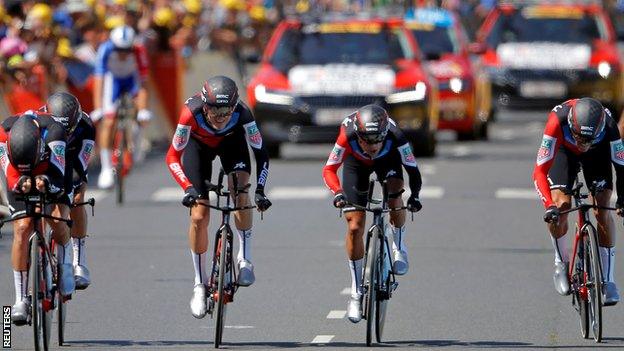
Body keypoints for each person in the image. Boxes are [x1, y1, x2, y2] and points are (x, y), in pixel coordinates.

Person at [165, 75, 272, 319]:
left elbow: (261, 154)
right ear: (204, 105)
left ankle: (244, 258)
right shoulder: (189, 114)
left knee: (241, 192)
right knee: (199, 215)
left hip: (231, 144)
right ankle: (199, 284)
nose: (219, 116)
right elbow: (172, 157)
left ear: (234, 107)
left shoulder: (243, 114)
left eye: (226, 111)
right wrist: (187, 188)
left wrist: (260, 189)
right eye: (214, 110)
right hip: (198, 148)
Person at [322, 104, 423, 323]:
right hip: (355, 165)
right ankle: (356, 292)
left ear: (385, 134)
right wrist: (338, 192)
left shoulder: (396, 136)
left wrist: (414, 196)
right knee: (355, 226)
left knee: (396, 196)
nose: (372, 145)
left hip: (389, 162)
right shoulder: (347, 135)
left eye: (377, 139)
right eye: (366, 140)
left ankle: (399, 246)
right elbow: (329, 169)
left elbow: (413, 170)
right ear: (358, 134)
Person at [533, 97, 622, 305]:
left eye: (588, 139)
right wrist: (550, 206)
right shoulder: (557, 120)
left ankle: (608, 280)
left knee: (602, 209)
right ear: (572, 125)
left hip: (597, 154)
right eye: (579, 138)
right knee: (562, 206)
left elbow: (622, 168)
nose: (582, 144)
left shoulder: (609, 125)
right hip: (564, 151)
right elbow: (539, 171)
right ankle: (561, 263)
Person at [0, 113, 74, 325]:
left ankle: (66, 260)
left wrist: (46, 182)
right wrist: (20, 183)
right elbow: (9, 174)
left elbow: (59, 178)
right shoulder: (2, 136)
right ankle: (20, 299)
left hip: (51, 169)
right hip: (17, 171)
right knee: (22, 228)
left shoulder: (55, 133)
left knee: (56, 220)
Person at [43, 92, 96, 289]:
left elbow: (82, 163)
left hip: (72, 160)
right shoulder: (40, 120)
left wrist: (72, 188)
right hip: (47, 159)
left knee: (78, 199)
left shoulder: (87, 126)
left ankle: (79, 261)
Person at [92, 24, 151, 189]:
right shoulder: (105, 49)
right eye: (119, 50)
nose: (123, 54)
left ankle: (138, 140)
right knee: (109, 121)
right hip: (113, 80)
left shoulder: (139, 51)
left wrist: (143, 109)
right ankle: (105, 168)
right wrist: (98, 108)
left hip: (132, 80)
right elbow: (99, 81)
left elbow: (144, 84)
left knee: (141, 115)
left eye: (127, 50)